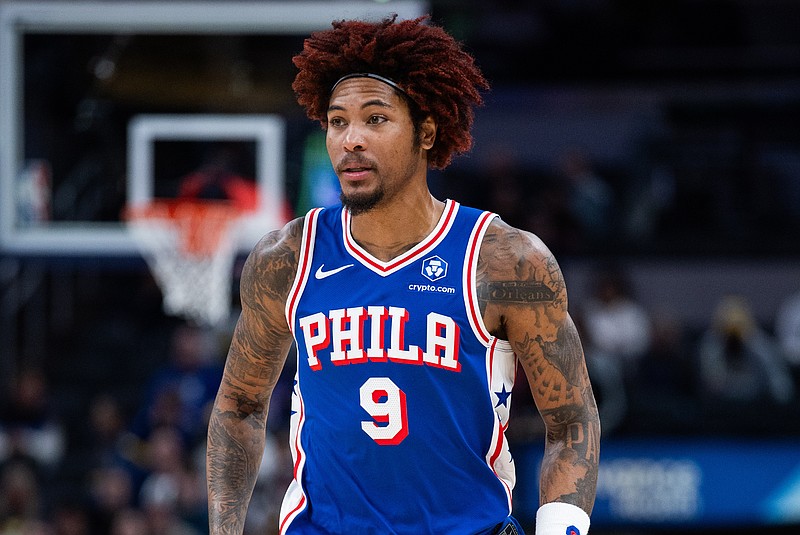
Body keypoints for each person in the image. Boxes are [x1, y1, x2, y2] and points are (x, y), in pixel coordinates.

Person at [206, 15, 600, 535]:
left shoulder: (505, 261)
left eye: (375, 119)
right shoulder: (286, 258)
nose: (350, 140)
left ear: (427, 132)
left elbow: (571, 420)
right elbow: (239, 406)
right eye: (337, 121)